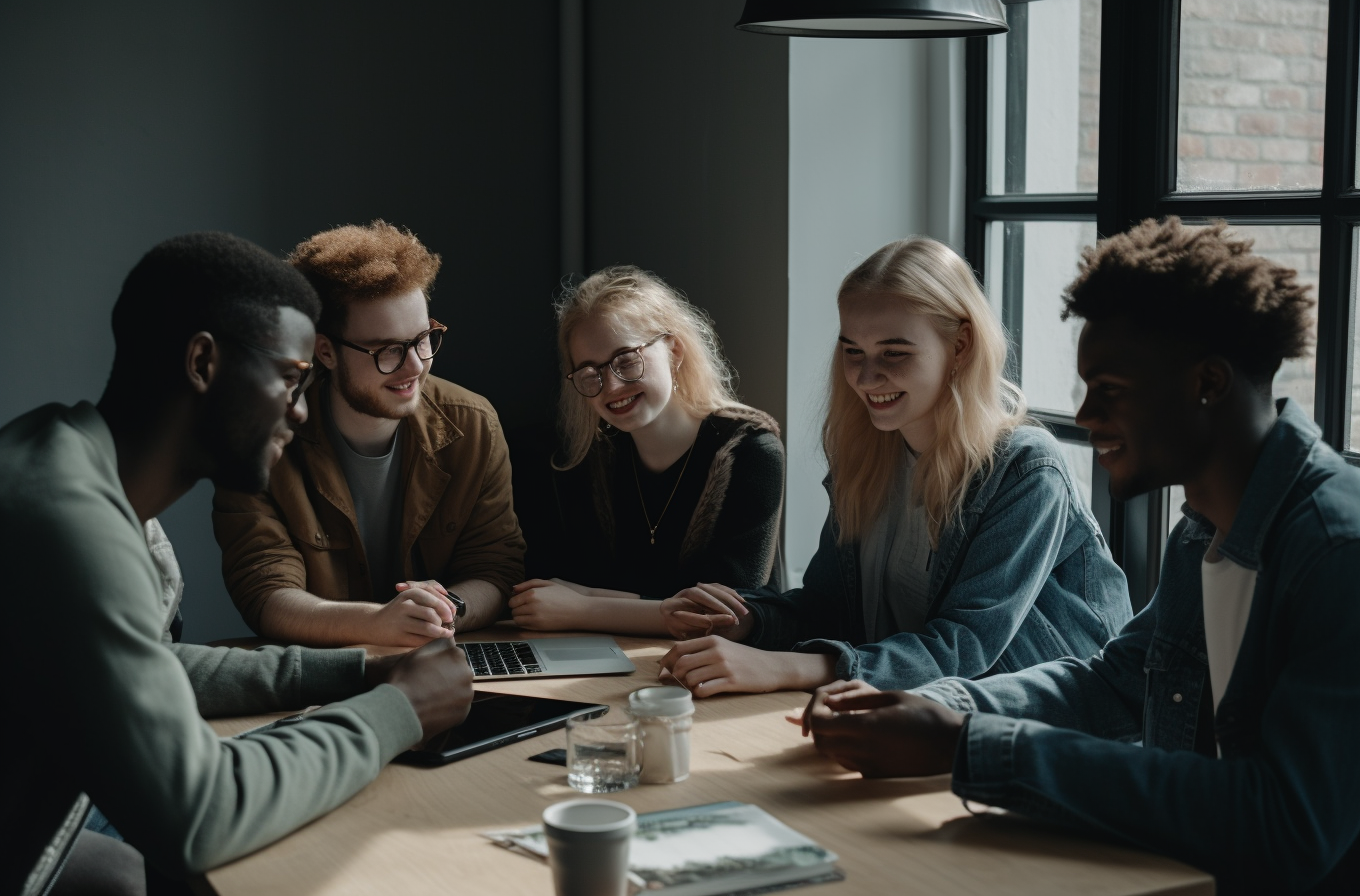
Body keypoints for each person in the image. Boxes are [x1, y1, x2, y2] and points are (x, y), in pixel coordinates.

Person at [802, 218, 1360, 895]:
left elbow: (1289, 826)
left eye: (1111, 389)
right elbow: (1115, 683)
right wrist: (938, 707)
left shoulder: (1336, 551)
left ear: (1207, 383)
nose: (1086, 414)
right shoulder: (1208, 526)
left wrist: (964, 745)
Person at [2, 233, 475, 895]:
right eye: (289, 377)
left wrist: (363, 670)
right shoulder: (67, 519)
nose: (300, 408)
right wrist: (401, 709)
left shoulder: (66, 459)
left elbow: (150, 664)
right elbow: (202, 814)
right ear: (203, 362)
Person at [657, 237, 1131, 696]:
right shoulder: (867, 456)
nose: (865, 377)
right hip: (907, 714)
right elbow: (829, 606)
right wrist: (750, 619)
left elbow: (964, 648)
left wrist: (782, 666)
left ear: (961, 345)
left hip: (1035, 736)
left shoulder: (1026, 469)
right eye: (853, 351)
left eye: (894, 353)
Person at [213, 221, 525, 648]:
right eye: (388, 350)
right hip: (323, 682)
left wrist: (442, 610)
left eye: (423, 339)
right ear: (326, 351)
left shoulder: (473, 424)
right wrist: (378, 623)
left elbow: (496, 568)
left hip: (445, 665)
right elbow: (265, 590)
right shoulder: (263, 439)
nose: (415, 365)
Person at [508, 266, 784, 635]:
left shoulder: (752, 451)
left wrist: (586, 606)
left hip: (722, 672)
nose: (611, 386)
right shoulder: (593, 455)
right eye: (590, 373)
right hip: (622, 662)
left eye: (626, 360)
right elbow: (547, 591)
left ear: (674, 350)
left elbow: (725, 613)